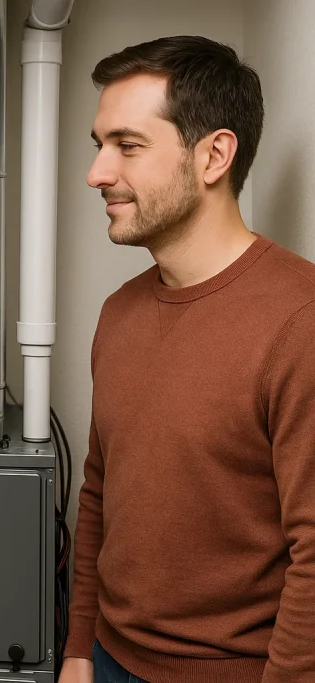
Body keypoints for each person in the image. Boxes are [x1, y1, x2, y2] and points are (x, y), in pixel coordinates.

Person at [60, 36, 315, 683]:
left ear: (214, 155)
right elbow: (98, 493)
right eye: (99, 145)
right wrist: (79, 648)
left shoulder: (299, 319)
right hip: (110, 659)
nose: (97, 172)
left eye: (128, 145)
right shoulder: (118, 312)